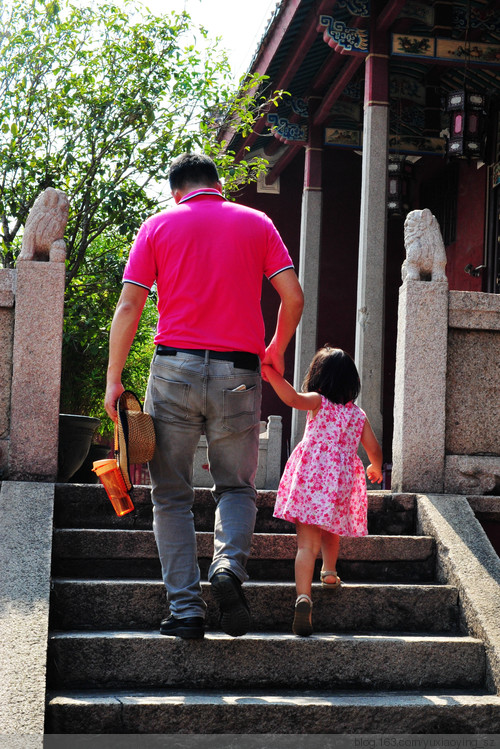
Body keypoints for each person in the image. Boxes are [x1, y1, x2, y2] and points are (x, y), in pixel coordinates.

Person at [104, 153, 303, 640]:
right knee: (235, 487)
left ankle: (186, 611)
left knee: (169, 495)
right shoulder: (257, 222)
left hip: (174, 368)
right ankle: (228, 568)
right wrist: (272, 351)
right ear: (217, 185)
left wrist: (113, 380)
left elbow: (131, 304)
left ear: (177, 190)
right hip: (240, 370)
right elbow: (293, 296)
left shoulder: (158, 225)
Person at [261, 346, 383, 637]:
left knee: (306, 545)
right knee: (332, 529)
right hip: (340, 481)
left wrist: (271, 374)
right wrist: (375, 467)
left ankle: (303, 597)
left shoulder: (318, 402)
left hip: (312, 477)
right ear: (351, 382)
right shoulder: (358, 415)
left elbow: (291, 398)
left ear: (318, 377)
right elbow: (374, 449)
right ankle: (329, 572)